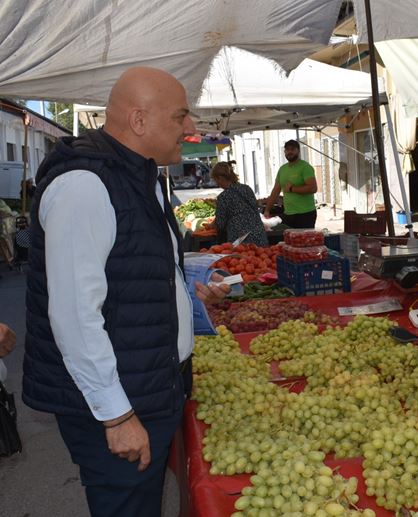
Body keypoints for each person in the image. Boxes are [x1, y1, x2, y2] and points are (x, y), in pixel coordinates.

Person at [22, 67, 230, 517]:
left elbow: (132, 273)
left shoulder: (138, 176)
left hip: (147, 384)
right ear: (139, 120)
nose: (191, 127)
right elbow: (74, 314)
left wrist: (187, 295)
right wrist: (116, 416)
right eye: (180, 116)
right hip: (120, 402)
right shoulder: (85, 186)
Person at [209, 160, 269, 246]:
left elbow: (220, 224)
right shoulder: (247, 189)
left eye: (216, 180)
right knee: (261, 254)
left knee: (244, 255)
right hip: (259, 235)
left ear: (220, 178)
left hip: (240, 239)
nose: (217, 183)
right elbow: (252, 209)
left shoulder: (223, 197)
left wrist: (213, 225)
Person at [263, 140, 318, 228]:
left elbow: (313, 188)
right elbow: (275, 191)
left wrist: (292, 189)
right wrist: (267, 210)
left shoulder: (305, 167)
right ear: (284, 152)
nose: (290, 152)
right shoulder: (282, 169)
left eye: (292, 149)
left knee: (303, 237)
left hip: (305, 214)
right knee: (287, 236)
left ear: (298, 151)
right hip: (288, 214)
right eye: (287, 149)